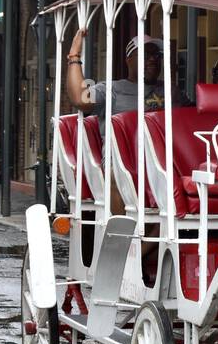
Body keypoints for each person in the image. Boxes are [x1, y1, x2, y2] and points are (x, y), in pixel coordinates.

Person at [65, 29, 185, 216]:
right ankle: (123, 235)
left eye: (156, 55)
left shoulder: (171, 91)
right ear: (129, 60)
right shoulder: (112, 89)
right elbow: (80, 99)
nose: (153, 59)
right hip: (123, 161)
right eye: (145, 54)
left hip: (164, 162)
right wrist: (74, 55)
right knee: (117, 174)